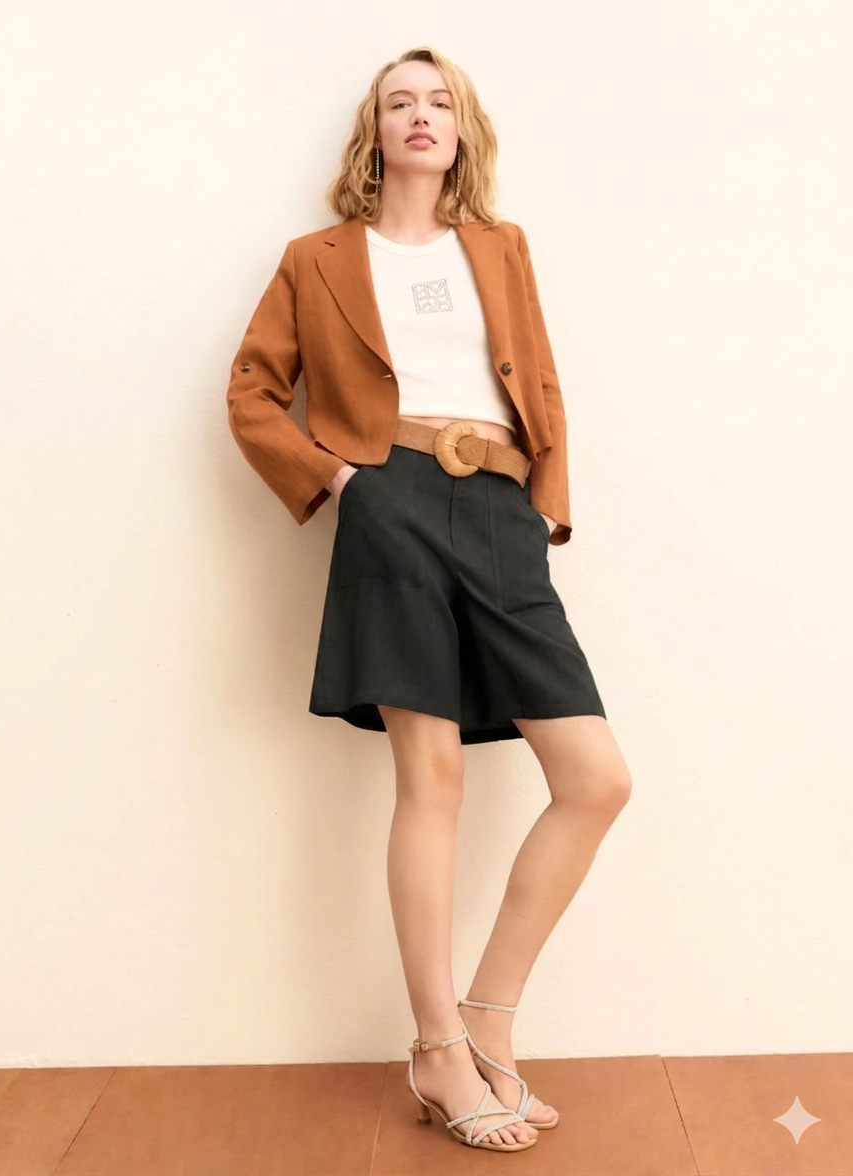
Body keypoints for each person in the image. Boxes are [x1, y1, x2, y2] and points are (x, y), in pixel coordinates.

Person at [226, 46, 632, 1154]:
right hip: (389, 500)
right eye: (398, 101)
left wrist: (543, 511)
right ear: (374, 133)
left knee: (595, 778)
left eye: (438, 100)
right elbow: (252, 390)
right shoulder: (317, 259)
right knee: (433, 776)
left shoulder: (500, 246)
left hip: (499, 509)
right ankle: (437, 1046)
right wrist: (340, 482)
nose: (420, 114)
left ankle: (487, 1016)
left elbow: (540, 381)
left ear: (461, 130)